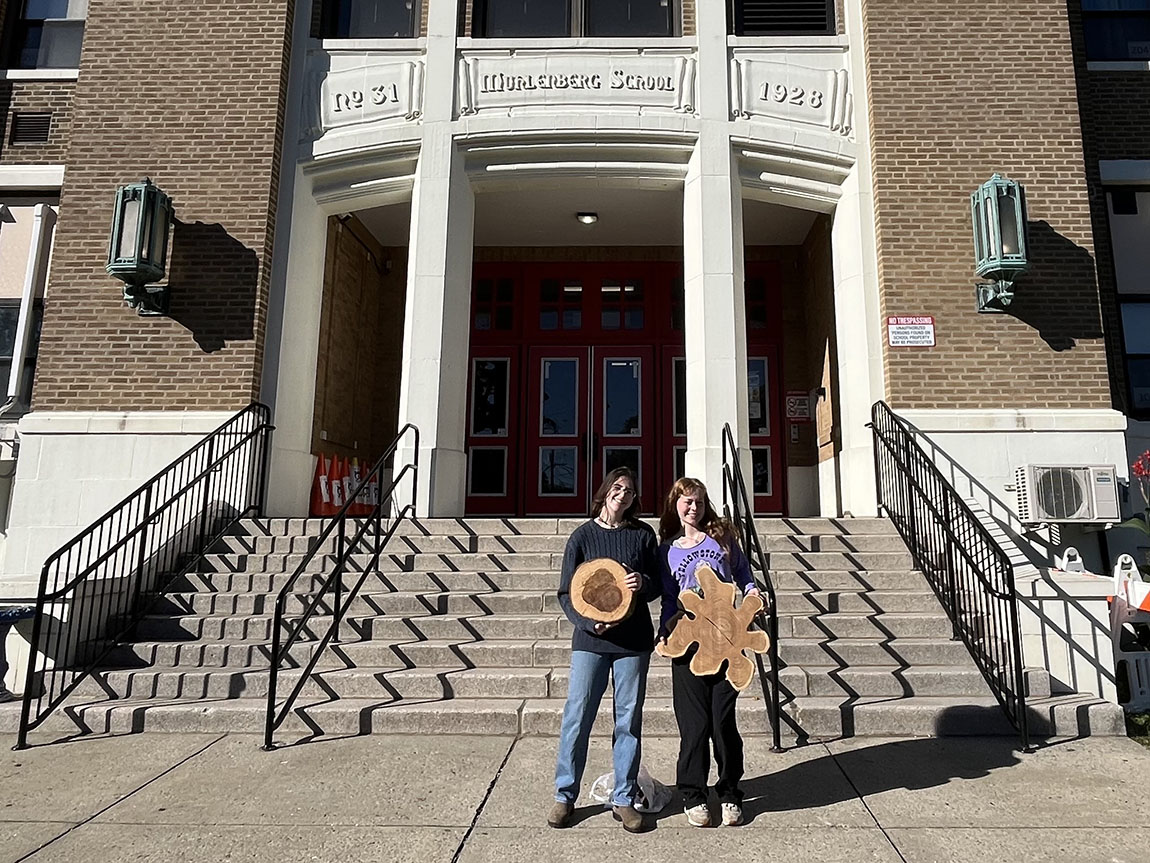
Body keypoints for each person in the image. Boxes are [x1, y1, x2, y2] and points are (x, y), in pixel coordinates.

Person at [549, 467, 660, 834]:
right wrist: (585, 624)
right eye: (618, 488)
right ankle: (565, 796)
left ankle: (624, 798)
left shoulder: (643, 535)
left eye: (630, 490)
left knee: (627, 721)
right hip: (591, 642)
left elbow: (659, 585)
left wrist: (642, 582)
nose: (624, 494)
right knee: (577, 716)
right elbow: (567, 592)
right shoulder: (582, 536)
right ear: (605, 491)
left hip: (633, 642)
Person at [656, 477, 761, 828]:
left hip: (728, 642)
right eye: (686, 501)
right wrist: (665, 630)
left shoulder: (722, 537)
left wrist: (752, 596)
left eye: (699, 501)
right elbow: (669, 598)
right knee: (694, 724)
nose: (693, 508)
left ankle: (730, 792)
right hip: (689, 642)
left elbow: (745, 574)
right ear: (675, 504)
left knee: (722, 722)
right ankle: (694, 794)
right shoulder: (667, 549)